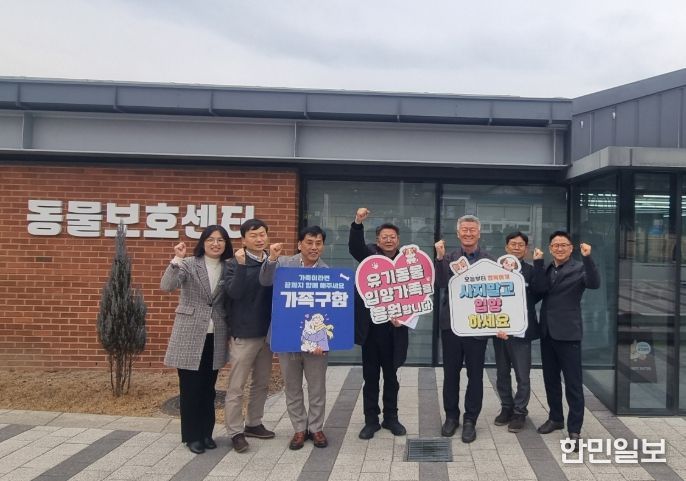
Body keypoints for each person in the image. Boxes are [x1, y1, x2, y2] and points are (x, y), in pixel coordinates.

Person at [160, 225, 232, 454]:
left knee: (209, 388)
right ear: (203, 242)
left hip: (215, 334)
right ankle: (192, 436)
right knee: (191, 388)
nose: (215, 244)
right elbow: (167, 286)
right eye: (211, 239)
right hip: (190, 333)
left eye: (220, 240)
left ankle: (206, 433)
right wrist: (176, 260)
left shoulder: (229, 266)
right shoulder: (189, 263)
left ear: (226, 244)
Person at [259, 226, 330, 450]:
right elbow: (265, 281)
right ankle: (299, 429)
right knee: (292, 386)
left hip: (316, 343)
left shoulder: (328, 272)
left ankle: (316, 428)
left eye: (318, 243)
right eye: (309, 242)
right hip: (287, 338)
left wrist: (323, 341)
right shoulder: (283, 263)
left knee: (317, 387)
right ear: (300, 244)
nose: (314, 247)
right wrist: (271, 258)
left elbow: (331, 312)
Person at [531, 231, 600, 450]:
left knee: (573, 384)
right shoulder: (547, 268)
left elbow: (594, 283)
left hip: (569, 333)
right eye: (555, 245)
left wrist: (588, 258)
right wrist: (538, 263)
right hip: (547, 333)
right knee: (550, 380)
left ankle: (574, 429)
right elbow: (538, 290)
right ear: (550, 248)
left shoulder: (579, 268)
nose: (559, 248)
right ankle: (555, 418)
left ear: (571, 248)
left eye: (563, 245)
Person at [349, 207, 408, 440]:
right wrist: (357, 223)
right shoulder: (370, 257)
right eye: (384, 237)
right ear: (378, 240)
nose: (389, 240)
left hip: (395, 329)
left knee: (392, 377)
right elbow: (355, 247)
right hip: (371, 330)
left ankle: (391, 418)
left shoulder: (407, 261)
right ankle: (370, 420)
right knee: (371, 377)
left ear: (398, 240)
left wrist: (405, 318)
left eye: (392, 237)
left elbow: (417, 294)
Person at [435, 214, 492, 443]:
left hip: (477, 327)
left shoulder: (489, 260)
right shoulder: (448, 257)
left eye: (472, 230)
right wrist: (440, 258)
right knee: (450, 374)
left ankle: (470, 420)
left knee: (475, 375)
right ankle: (451, 417)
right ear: (458, 233)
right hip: (452, 326)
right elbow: (440, 283)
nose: (468, 233)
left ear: (479, 233)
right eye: (464, 230)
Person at [224, 219, 276, 453]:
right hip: (244, 333)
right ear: (243, 240)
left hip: (268, 333)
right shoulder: (233, 263)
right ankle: (235, 431)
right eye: (253, 235)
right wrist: (242, 266)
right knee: (237, 386)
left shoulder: (273, 261)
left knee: (261, 383)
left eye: (262, 234)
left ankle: (254, 423)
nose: (259, 239)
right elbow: (234, 293)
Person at [493, 232, 541, 433]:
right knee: (502, 372)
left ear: (526, 249)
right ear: (506, 247)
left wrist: (539, 264)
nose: (516, 247)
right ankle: (507, 407)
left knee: (523, 374)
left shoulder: (531, 271)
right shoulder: (494, 269)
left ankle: (520, 411)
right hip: (499, 329)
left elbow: (539, 292)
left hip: (521, 331)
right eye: (513, 244)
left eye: (521, 245)